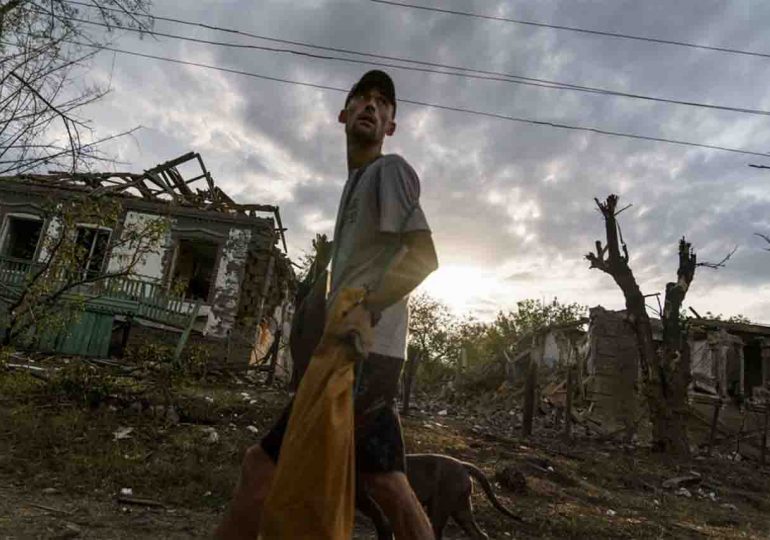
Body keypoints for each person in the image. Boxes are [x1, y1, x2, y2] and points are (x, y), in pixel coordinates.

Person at [215, 70, 439, 540]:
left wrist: (367, 308)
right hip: (356, 353)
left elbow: (423, 256)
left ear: (391, 126)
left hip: (360, 353)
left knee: (262, 467)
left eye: (383, 104)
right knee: (385, 482)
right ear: (343, 113)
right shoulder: (354, 186)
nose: (371, 107)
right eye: (362, 99)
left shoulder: (388, 171)